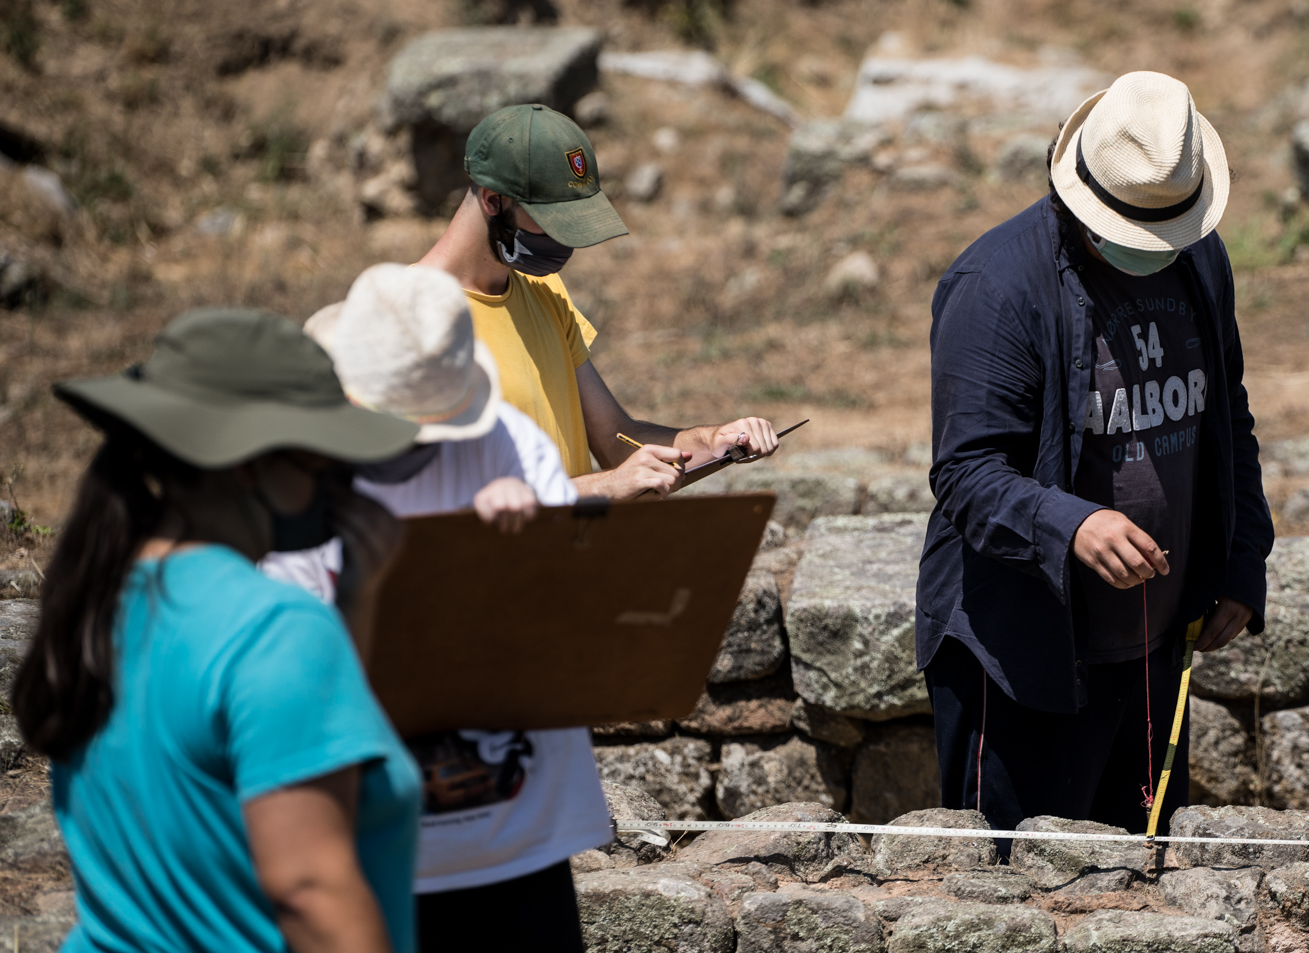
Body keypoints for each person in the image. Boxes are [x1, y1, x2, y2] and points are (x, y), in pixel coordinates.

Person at [916, 71, 1275, 848]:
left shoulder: (1199, 258)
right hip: (1025, 659)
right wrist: (1071, 525)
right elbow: (967, 475)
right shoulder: (997, 288)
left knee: (1139, 889)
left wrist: (1242, 559)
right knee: (1013, 890)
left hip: (1154, 652)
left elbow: (1227, 417)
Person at [14, 308, 423, 952]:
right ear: (248, 465)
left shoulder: (98, 599)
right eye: (322, 466)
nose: (341, 487)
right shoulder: (277, 630)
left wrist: (354, 600)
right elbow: (310, 892)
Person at [263, 264, 609, 953]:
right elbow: (287, 672)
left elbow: (575, 629)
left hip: (521, 842)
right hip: (372, 846)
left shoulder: (508, 443)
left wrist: (531, 542)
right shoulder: (301, 481)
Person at [415, 103, 781, 499]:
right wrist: (606, 486)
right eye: (554, 223)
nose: (566, 241)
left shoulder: (544, 291)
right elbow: (447, 502)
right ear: (492, 201)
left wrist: (712, 442)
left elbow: (615, 439)